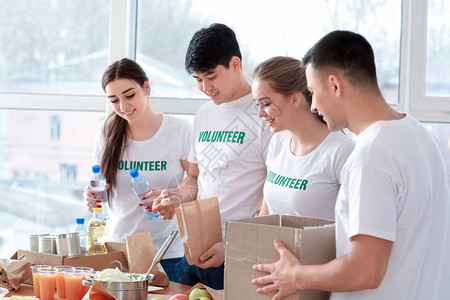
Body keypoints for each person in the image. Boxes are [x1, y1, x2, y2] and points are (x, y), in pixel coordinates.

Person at [252, 30, 450, 299]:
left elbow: (365, 270)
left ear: (334, 85)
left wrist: (295, 275)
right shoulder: (419, 135)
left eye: (312, 92)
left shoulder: (368, 157)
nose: (312, 107)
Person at [148, 23, 273, 290]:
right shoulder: (204, 114)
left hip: (240, 255)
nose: (205, 87)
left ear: (235, 64)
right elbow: (195, 178)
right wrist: (174, 197)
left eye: (211, 76)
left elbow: (274, 197)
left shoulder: (263, 114)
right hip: (194, 253)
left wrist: (234, 246)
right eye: (197, 79)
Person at [83, 58, 194, 282]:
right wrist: (91, 194)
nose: (123, 106)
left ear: (146, 87)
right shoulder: (106, 130)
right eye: (114, 100)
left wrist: (176, 195)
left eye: (129, 95)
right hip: (119, 250)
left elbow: (196, 179)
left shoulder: (179, 130)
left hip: (167, 253)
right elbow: (99, 180)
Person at [252, 56, 354, 220]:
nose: (260, 113)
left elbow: (352, 227)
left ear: (295, 99)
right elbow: (265, 216)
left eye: (266, 103)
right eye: (258, 104)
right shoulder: (278, 143)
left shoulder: (343, 151)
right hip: (272, 245)